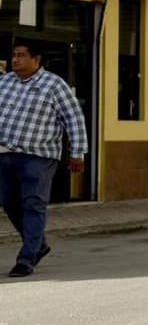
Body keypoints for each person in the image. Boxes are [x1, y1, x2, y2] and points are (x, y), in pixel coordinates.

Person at [0, 41, 87, 278]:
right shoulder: (4, 82)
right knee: (9, 202)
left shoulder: (54, 85)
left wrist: (77, 152)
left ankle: (27, 259)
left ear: (36, 60)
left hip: (39, 156)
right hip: (6, 153)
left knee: (33, 204)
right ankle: (39, 244)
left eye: (21, 55)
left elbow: (74, 119)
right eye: (14, 55)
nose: (15, 59)